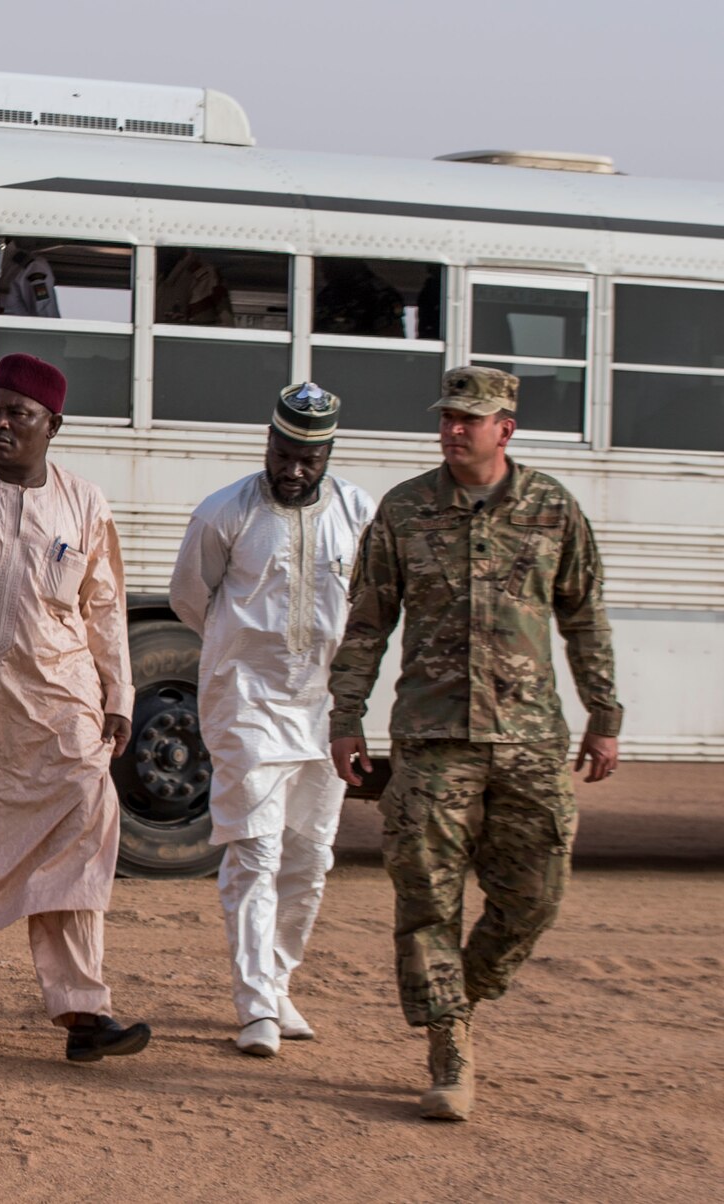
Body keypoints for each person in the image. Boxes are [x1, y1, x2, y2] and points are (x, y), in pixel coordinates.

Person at [329, 365, 622, 1122]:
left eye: (472, 418)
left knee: (536, 894)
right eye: (448, 417)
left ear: (506, 429)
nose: (456, 429)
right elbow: (368, 622)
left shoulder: (552, 509)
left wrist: (605, 713)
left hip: (529, 738)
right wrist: (345, 716)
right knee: (426, 897)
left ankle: (463, 989)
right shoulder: (404, 511)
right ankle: (448, 1041)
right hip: (431, 740)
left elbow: (583, 617)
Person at [0, 354, 150, 1064]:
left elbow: (103, 608)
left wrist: (119, 696)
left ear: (53, 425)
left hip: (60, 706)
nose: (2, 424)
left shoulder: (84, 503)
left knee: (82, 823)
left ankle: (82, 1008)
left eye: (19, 413)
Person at [169, 383, 375, 1057]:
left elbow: (371, 608)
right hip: (247, 702)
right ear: (268, 443)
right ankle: (255, 1003)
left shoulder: (357, 512)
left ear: (328, 454)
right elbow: (190, 598)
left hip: (325, 708)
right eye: (283, 454)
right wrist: (244, 652)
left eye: (307, 459)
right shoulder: (224, 513)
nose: (292, 470)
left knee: (310, 857)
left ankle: (279, 981)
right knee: (256, 852)